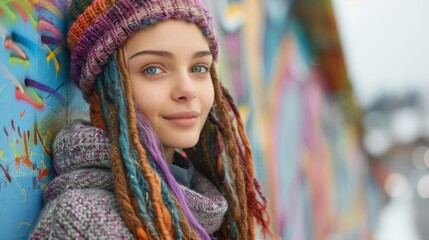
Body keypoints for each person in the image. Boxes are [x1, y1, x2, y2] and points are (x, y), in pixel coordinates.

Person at [30, 0, 278, 239]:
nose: (188, 89)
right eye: (153, 69)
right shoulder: (79, 221)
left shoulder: (206, 210)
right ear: (106, 91)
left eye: (199, 68)